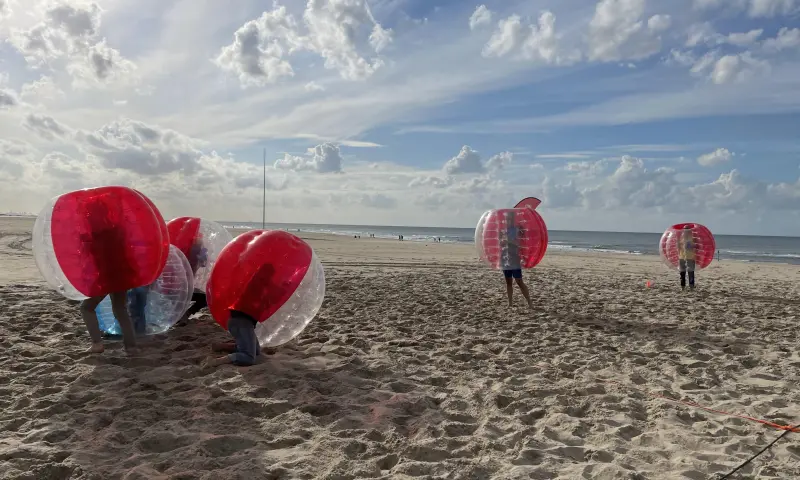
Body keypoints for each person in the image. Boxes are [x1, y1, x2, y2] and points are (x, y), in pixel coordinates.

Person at [79, 201, 139, 354]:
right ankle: (131, 347)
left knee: (86, 307)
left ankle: (97, 344)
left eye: (88, 213)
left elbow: (92, 258)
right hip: (123, 274)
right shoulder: (117, 229)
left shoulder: (95, 234)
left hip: (107, 277)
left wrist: (84, 242)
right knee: (120, 309)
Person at [501, 211, 533, 309]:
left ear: (512, 219)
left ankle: (529, 302)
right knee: (508, 282)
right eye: (506, 219)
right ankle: (510, 303)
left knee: (519, 281)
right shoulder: (504, 230)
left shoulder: (516, 230)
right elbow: (501, 245)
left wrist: (508, 241)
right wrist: (501, 241)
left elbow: (519, 244)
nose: (507, 220)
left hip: (514, 258)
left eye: (509, 219)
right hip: (505, 258)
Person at [679, 225, 696, 290]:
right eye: (685, 230)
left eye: (687, 230)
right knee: (682, 273)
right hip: (682, 258)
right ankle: (683, 286)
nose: (686, 232)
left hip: (690, 258)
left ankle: (691, 286)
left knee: (690, 273)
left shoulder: (691, 239)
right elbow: (679, 248)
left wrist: (687, 244)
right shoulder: (681, 239)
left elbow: (691, 248)